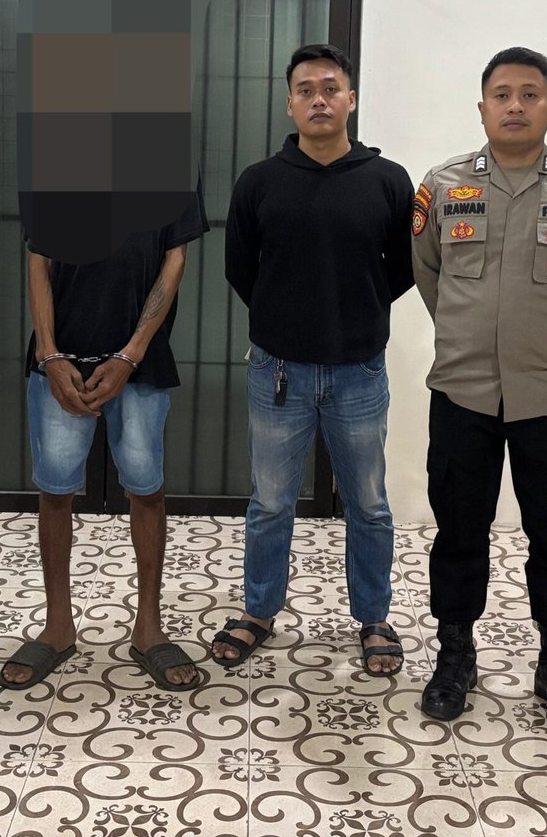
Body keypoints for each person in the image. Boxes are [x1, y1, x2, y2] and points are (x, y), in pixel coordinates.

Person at [411, 46, 547, 737]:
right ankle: (455, 655)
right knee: (458, 530)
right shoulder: (442, 186)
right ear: (482, 107)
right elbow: (428, 273)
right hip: (462, 390)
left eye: (530, 94)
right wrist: (473, 334)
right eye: (501, 94)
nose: (515, 106)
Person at [210, 44, 416, 676]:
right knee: (271, 502)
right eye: (306, 90)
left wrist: (354, 312)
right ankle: (259, 612)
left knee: (369, 503)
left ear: (351, 99)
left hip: (360, 370)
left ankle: (374, 617)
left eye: (330, 88)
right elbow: (240, 268)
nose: (318, 99)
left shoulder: (388, 180)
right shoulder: (259, 182)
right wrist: (286, 317)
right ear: (290, 103)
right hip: (278, 371)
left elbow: (404, 269)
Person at [0, 189, 210, 692]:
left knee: (146, 488)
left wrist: (132, 353)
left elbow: (174, 260)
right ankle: (58, 626)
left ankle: (149, 627)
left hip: (142, 359)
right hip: (59, 358)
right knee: (55, 491)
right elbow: (39, 258)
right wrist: (48, 353)